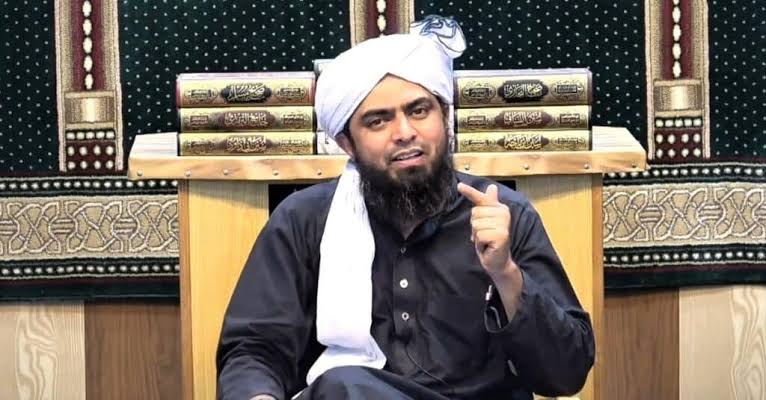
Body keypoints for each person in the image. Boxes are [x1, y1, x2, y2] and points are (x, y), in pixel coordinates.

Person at [216, 15, 594, 400]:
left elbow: (566, 374)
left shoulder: (503, 216)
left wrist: (506, 274)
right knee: (343, 387)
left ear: (445, 117)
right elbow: (254, 350)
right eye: (378, 121)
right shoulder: (303, 222)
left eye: (419, 111)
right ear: (347, 143)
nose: (405, 133)